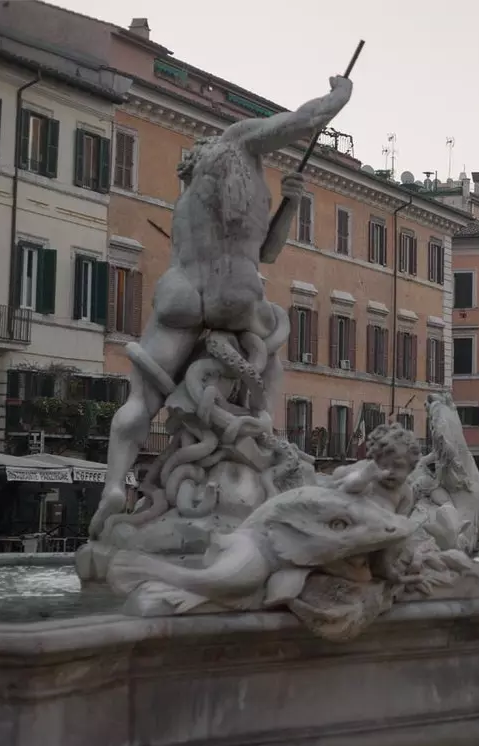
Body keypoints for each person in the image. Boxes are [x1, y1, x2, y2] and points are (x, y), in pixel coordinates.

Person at [92, 77, 353, 536]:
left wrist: (290, 203)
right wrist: (337, 96)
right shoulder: (240, 144)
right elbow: (302, 123)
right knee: (274, 335)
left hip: (181, 292)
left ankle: (115, 483)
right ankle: (267, 422)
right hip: (235, 296)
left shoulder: (187, 202)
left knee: (140, 399)